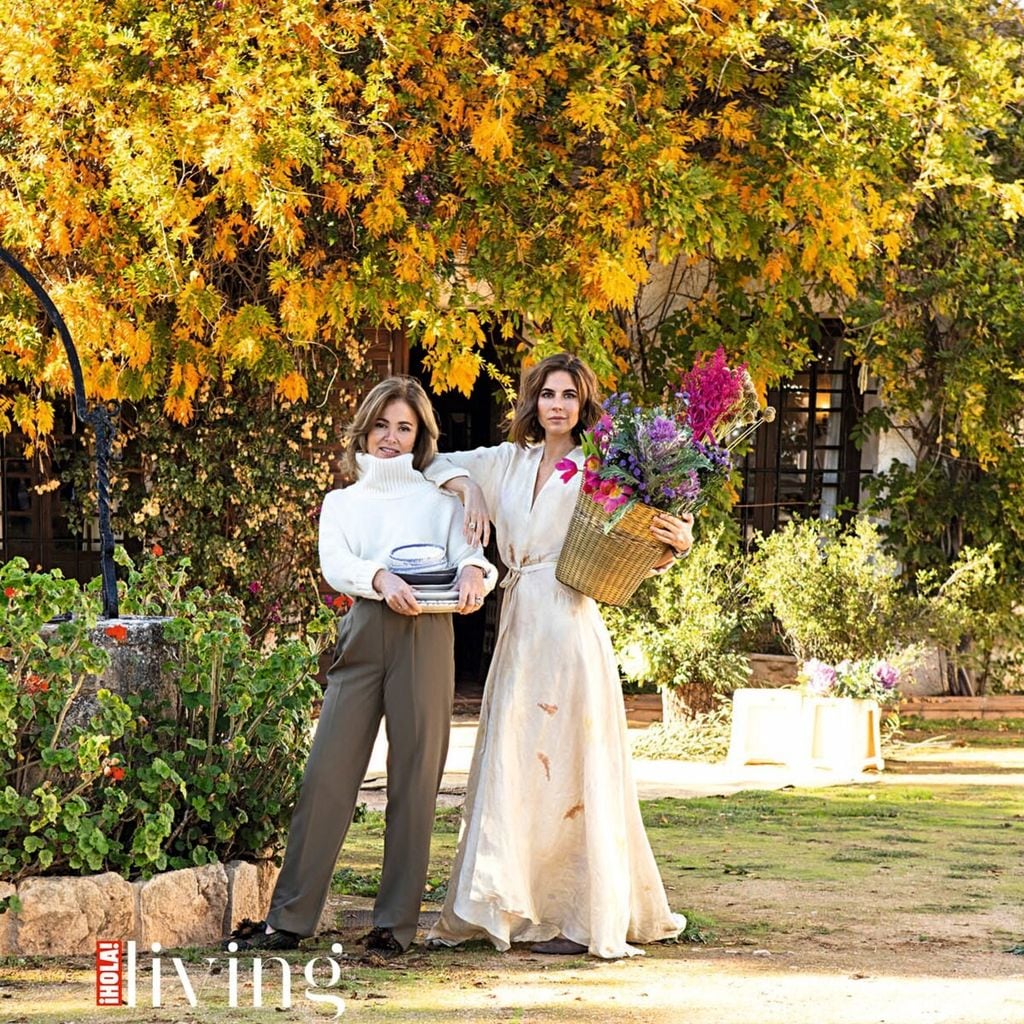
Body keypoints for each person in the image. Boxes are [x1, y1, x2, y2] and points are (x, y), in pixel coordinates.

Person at [421, 353, 692, 959]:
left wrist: (680, 541)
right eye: (548, 393)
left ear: (583, 404)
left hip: (571, 624)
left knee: (571, 762)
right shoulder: (505, 462)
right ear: (533, 402)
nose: (558, 405)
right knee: (518, 758)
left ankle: (578, 913)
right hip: (518, 623)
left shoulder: (599, 468)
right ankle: (515, 906)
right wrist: (470, 492)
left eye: (569, 395)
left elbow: (645, 529)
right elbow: (431, 464)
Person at [227, 376, 496, 955]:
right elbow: (335, 562)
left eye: (405, 428)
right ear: (365, 427)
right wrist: (380, 577)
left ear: (421, 435)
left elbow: (468, 555)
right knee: (327, 773)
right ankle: (290, 919)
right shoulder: (342, 503)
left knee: (415, 779)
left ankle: (394, 925)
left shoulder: (440, 501)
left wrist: (476, 571)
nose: (392, 438)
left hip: (428, 632)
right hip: (366, 628)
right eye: (382, 425)